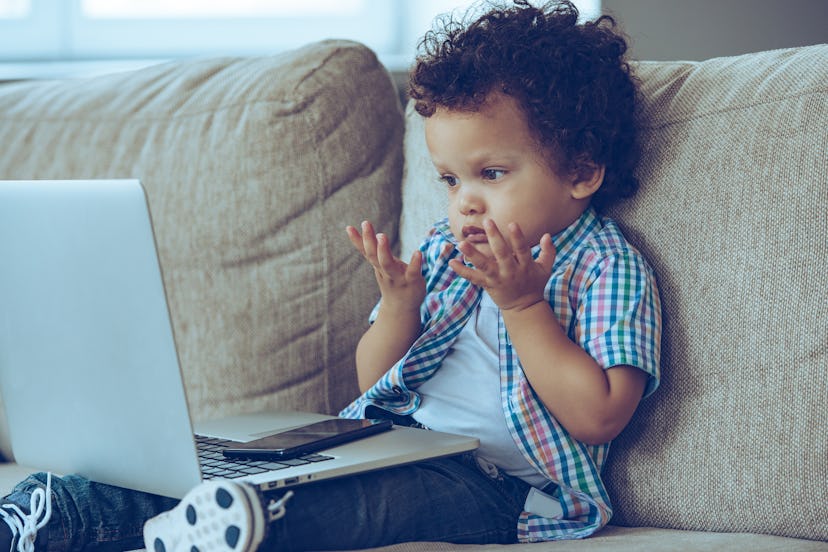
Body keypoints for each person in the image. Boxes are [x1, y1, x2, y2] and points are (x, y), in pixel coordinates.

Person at [0, 1, 661, 550]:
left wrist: (522, 307)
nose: (464, 202)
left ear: (580, 170)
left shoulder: (604, 265)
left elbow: (598, 415)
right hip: (391, 443)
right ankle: (55, 513)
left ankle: (218, 531)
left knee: (357, 505)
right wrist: (400, 306)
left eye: (492, 174)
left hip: (495, 487)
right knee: (212, 459)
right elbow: (372, 381)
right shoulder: (443, 252)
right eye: (451, 179)